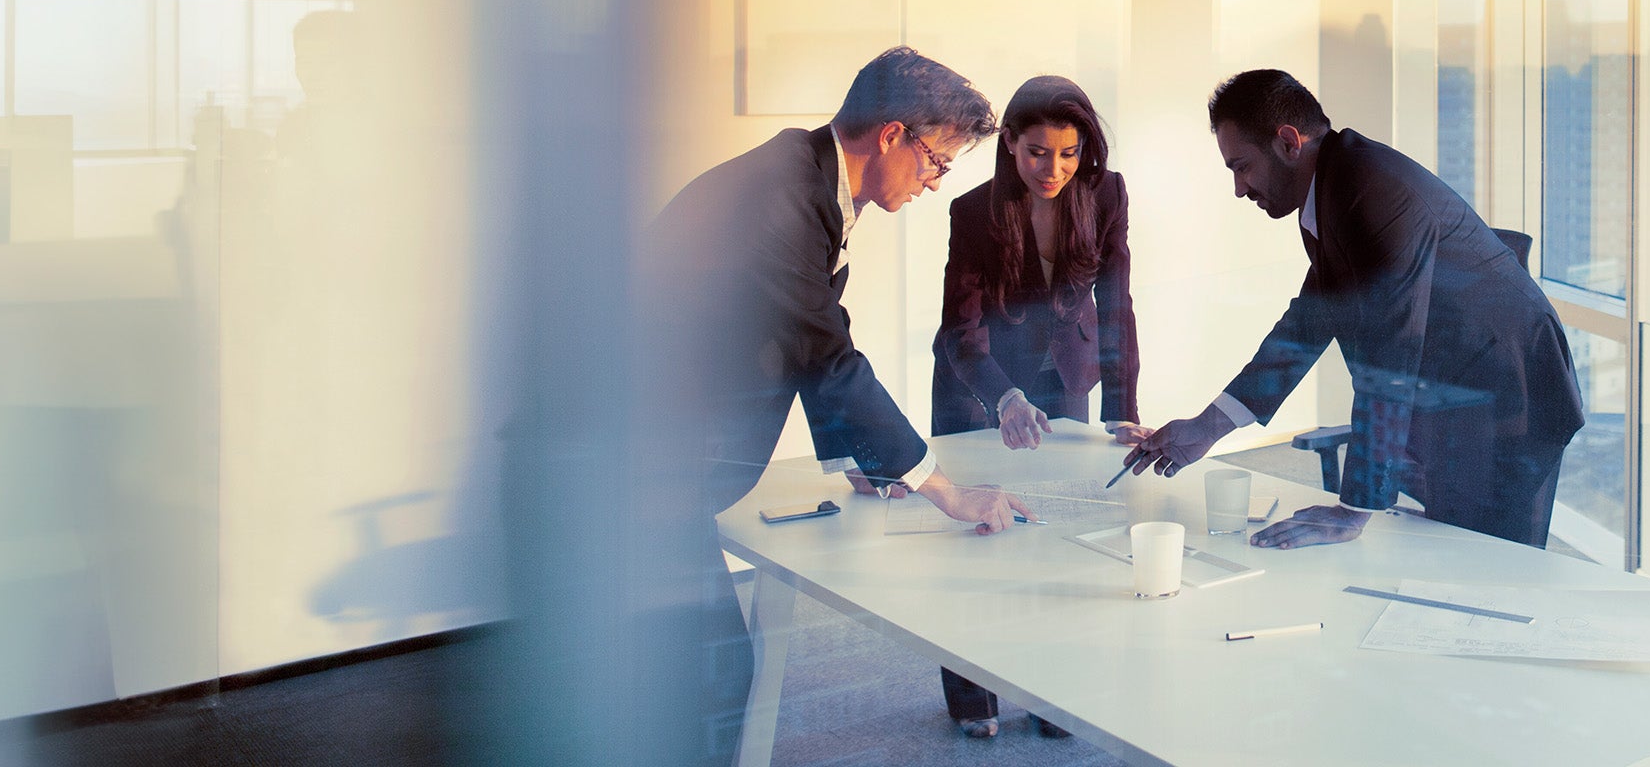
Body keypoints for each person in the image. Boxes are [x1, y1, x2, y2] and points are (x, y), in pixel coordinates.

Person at [640, 46, 1037, 764]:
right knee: (713, 677)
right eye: (936, 162)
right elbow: (827, 354)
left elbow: (803, 337)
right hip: (629, 468)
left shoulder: (804, 180)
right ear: (892, 135)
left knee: (702, 678)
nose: (935, 183)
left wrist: (866, 457)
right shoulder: (781, 199)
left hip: (651, 464)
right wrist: (942, 489)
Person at [1124, 69, 1584, 553]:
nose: (1240, 188)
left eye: (1242, 167)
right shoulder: (1331, 192)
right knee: (1446, 553)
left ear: (1288, 141)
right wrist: (1207, 427)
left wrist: (1354, 509)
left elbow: (1389, 355)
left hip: (1510, 392)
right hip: (1455, 384)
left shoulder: (1373, 192)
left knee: (1488, 567)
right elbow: (1306, 326)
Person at [927, 75, 1147, 738]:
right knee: (977, 540)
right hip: (978, 383)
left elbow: (1118, 305)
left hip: (1064, 374)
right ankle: (973, 696)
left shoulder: (1106, 194)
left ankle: (1056, 690)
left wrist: (1121, 409)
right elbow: (960, 329)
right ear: (1010, 148)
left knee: (1062, 534)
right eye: (1037, 152)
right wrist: (1005, 397)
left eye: (1069, 152)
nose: (1054, 168)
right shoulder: (973, 211)